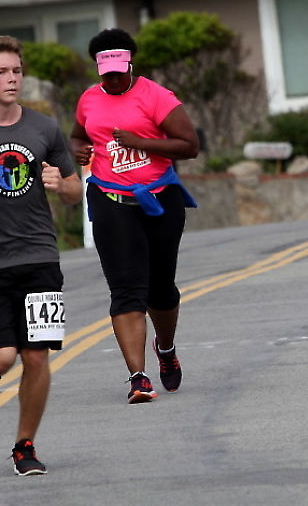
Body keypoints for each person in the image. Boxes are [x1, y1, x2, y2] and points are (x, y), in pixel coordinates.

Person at [69, 28, 199, 404]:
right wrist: (79, 150)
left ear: (130, 64)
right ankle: (138, 378)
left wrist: (140, 141)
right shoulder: (89, 99)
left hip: (159, 199)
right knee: (126, 288)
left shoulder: (156, 96)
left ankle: (165, 347)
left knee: (160, 289)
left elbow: (190, 145)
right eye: (106, 73)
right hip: (109, 198)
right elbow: (78, 135)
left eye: (119, 71)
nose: (113, 79)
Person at [0, 36, 83, 475]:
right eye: (1, 72)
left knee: (36, 356)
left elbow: (75, 192)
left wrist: (60, 183)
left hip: (39, 257)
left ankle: (24, 446)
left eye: (16, 71)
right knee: (3, 356)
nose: (11, 79)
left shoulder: (44, 128)